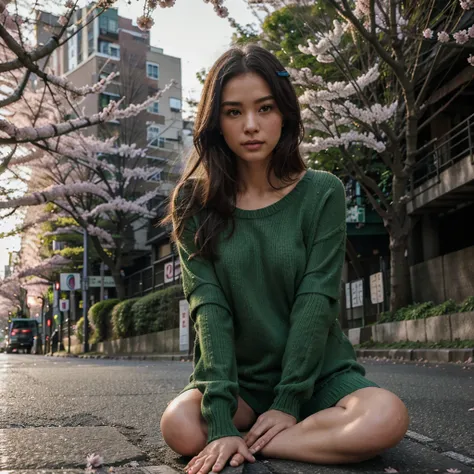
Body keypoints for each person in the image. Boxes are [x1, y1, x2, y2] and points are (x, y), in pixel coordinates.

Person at [160, 44, 409, 474]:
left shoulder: (322, 192)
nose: (251, 126)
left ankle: (265, 440)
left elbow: (316, 297)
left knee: (386, 417)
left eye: (265, 108)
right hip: (241, 385)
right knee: (180, 426)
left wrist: (289, 400)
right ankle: (274, 435)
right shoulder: (192, 201)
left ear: (285, 112)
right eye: (233, 112)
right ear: (215, 122)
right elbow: (208, 307)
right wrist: (219, 422)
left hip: (319, 376)